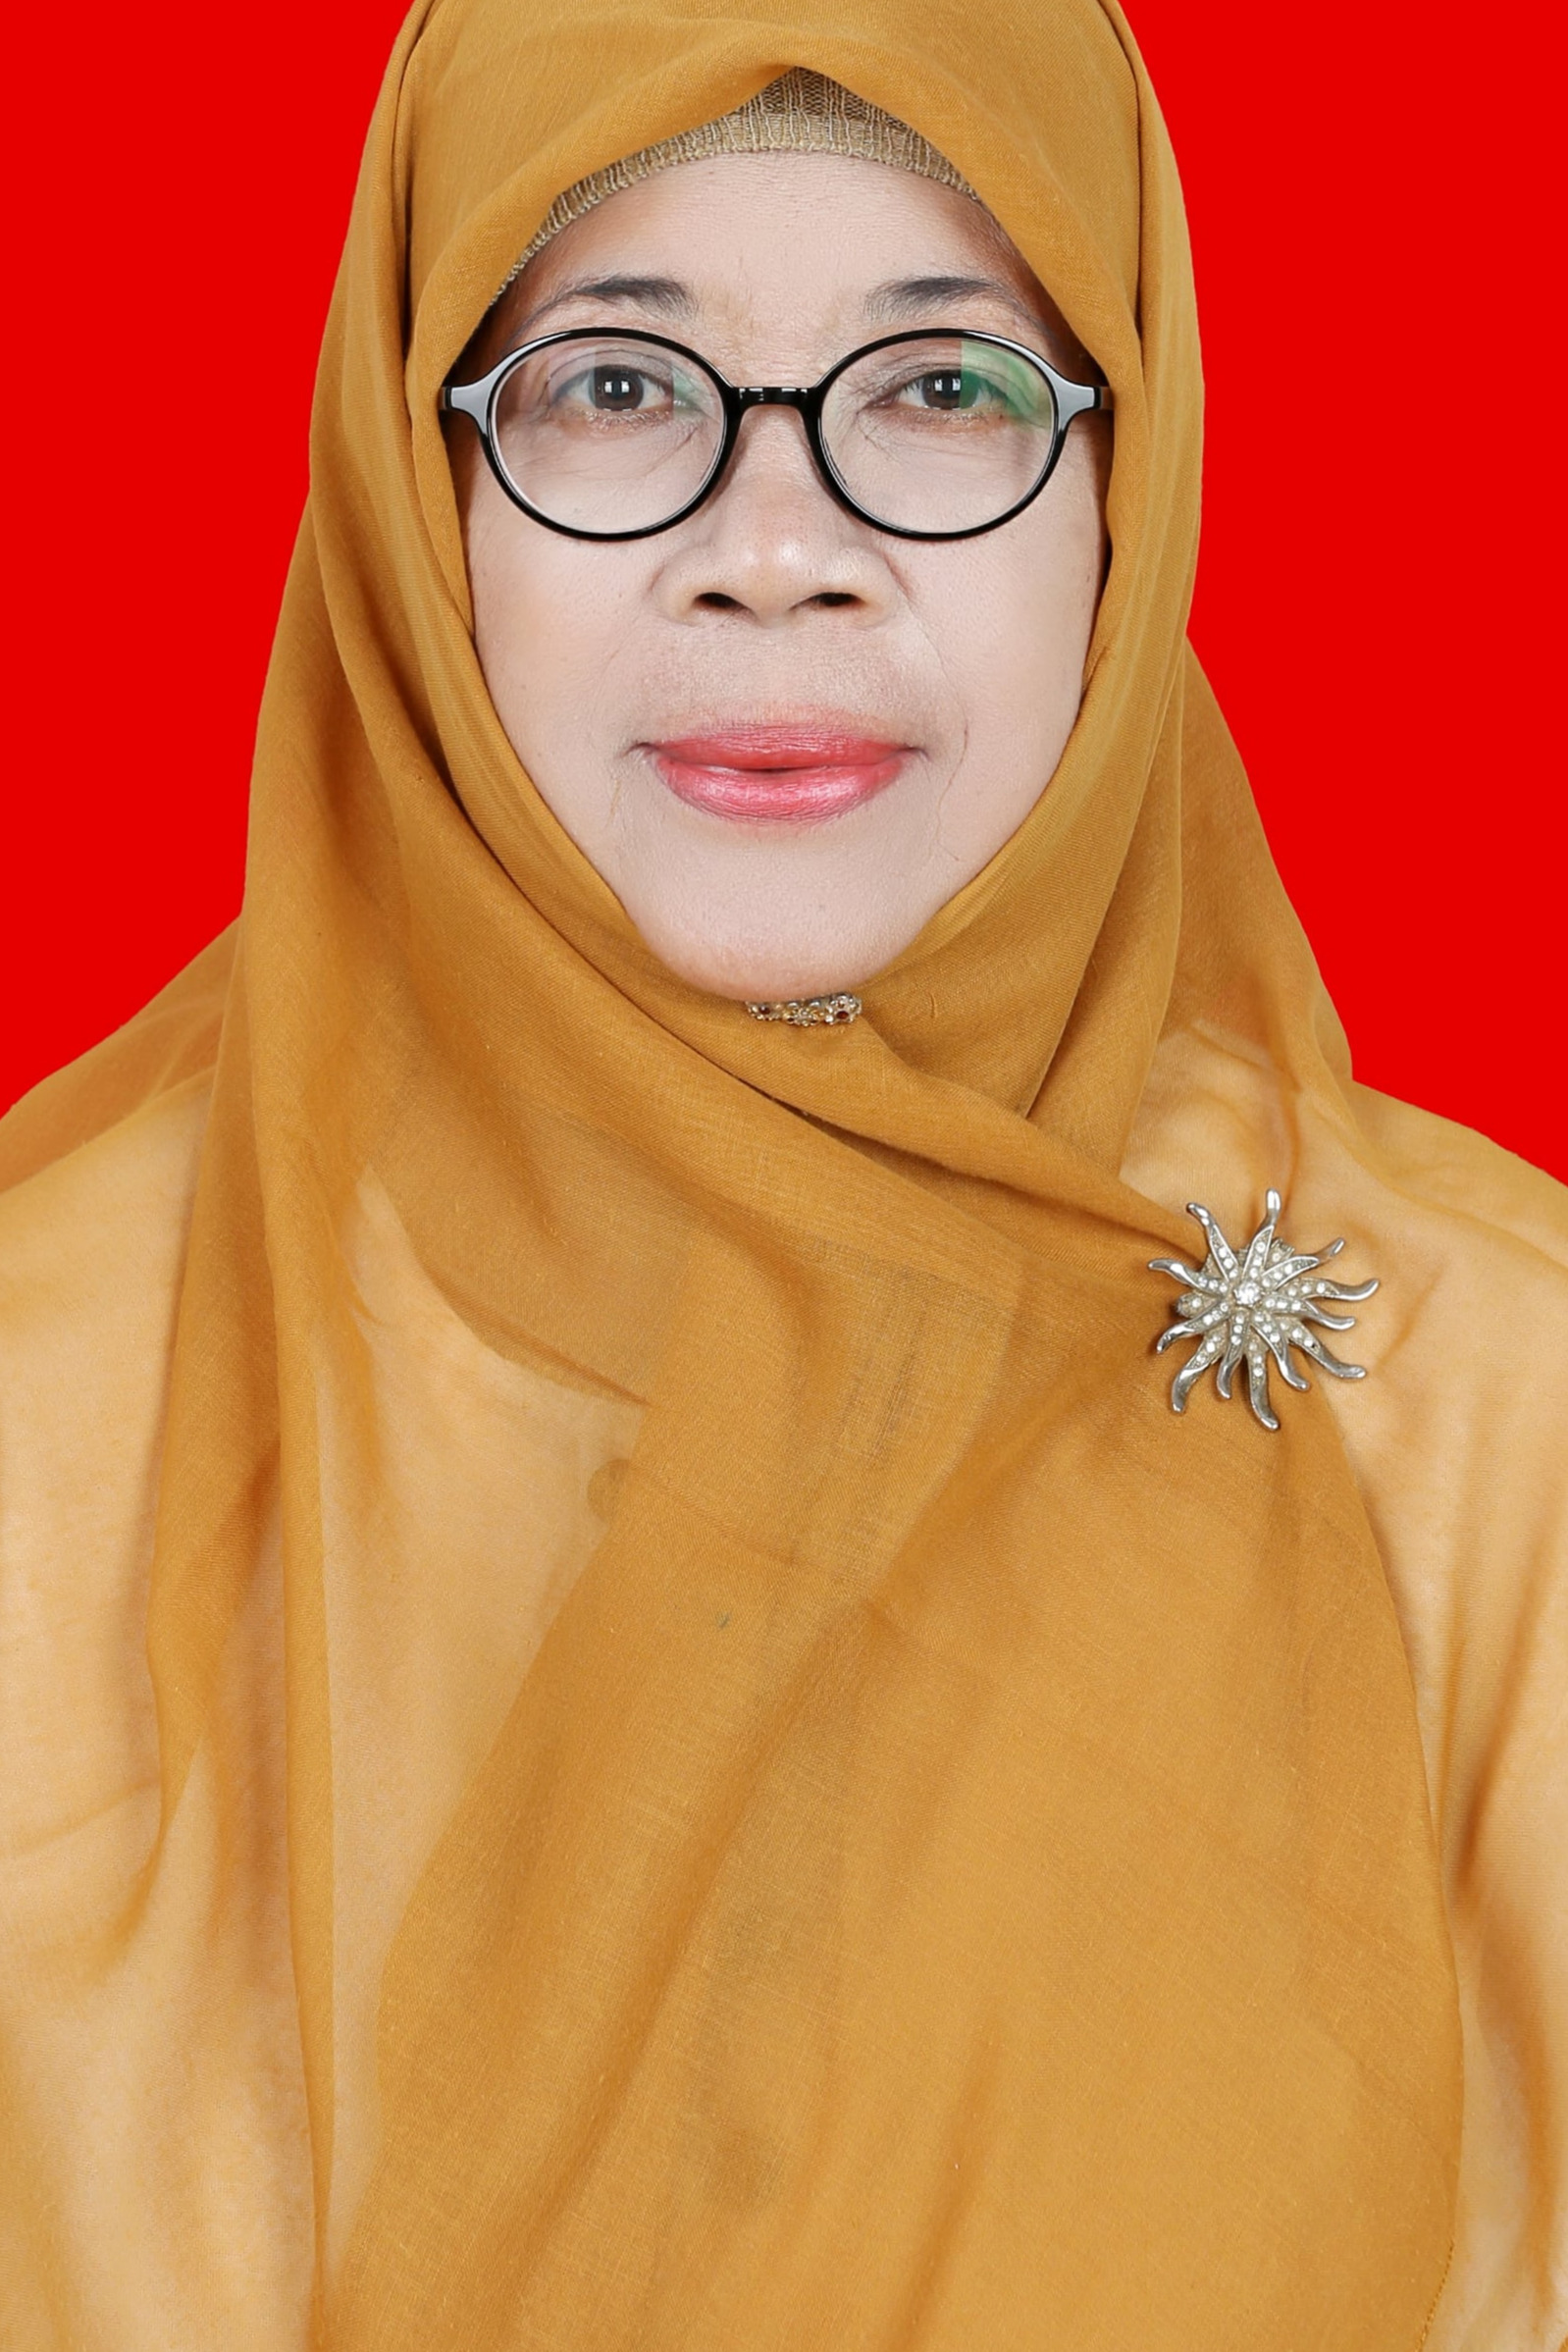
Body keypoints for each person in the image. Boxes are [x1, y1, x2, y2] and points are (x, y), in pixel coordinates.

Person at [0, 5, 1562, 2347]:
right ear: (417, 500)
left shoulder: (1501, 1408)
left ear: (1121, 498)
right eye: (614, 385)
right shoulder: (44, 1415)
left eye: (943, 387)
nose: (776, 552)